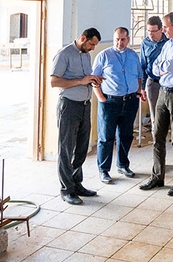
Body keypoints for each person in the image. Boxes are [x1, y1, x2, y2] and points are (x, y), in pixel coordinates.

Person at [140, 12, 173, 196]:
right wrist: (164, 67)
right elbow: (155, 66)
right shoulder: (168, 44)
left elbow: (171, 66)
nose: (163, 30)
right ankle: (157, 176)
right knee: (157, 135)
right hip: (163, 91)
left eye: (165, 27)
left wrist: (164, 67)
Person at [50, 28, 102, 205]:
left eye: (95, 45)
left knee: (81, 148)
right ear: (82, 38)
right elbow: (54, 81)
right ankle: (66, 189)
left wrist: (93, 79)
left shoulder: (86, 55)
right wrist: (81, 81)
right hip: (69, 106)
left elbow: (84, 77)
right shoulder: (64, 54)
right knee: (66, 148)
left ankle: (76, 183)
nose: (93, 48)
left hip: (85, 106)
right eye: (91, 44)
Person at [91, 27, 141, 184]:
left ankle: (123, 165)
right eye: (117, 39)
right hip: (110, 102)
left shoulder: (133, 55)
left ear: (128, 39)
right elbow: (94, 79)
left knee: (126, 135)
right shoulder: (104, 56)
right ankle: (104, 170)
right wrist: (101, 99)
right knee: (106, 137)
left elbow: (139, 76)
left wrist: (138, 91)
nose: (120, 42)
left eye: (123, 39)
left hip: (130, 101)